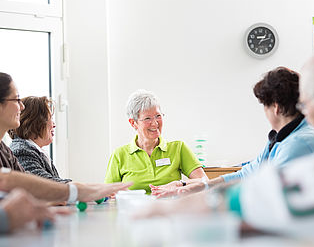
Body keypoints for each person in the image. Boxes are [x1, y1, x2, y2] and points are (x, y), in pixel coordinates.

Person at [136, 50, 314, 238]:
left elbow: (290, 195)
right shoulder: (288, 137)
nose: (306, 115)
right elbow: (253, 171)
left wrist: (179, 209)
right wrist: (200, 188)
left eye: (305, 105)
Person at [151, 67, 314, 198]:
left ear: (276, 108)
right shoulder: (282, 136)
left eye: (265, 106)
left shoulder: (298, 144)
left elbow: (268, 193)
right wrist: (198, 187)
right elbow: (248, 172)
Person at [0, 72, 132, 233]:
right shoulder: (20, 150)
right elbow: (10, 181)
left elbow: (28, 189)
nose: (22, 106)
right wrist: (80, 191)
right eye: (16, 100)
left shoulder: (6, 150)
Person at [104, 89, 207, 193]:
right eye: (147, 118)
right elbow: (107, 193)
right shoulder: (119, 155)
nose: (155, 123)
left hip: (170, 208)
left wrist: (179, 184)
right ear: (133, 123)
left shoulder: (178, 148)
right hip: (134, 209)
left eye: (158, 116)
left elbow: (204, 181)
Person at [8, 96, 71, 183]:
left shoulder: (35, 151)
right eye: (50, 118)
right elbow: (47, 185)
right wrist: (83, 188)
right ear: (36, 122)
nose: (54, 125)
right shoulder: (21, 151)